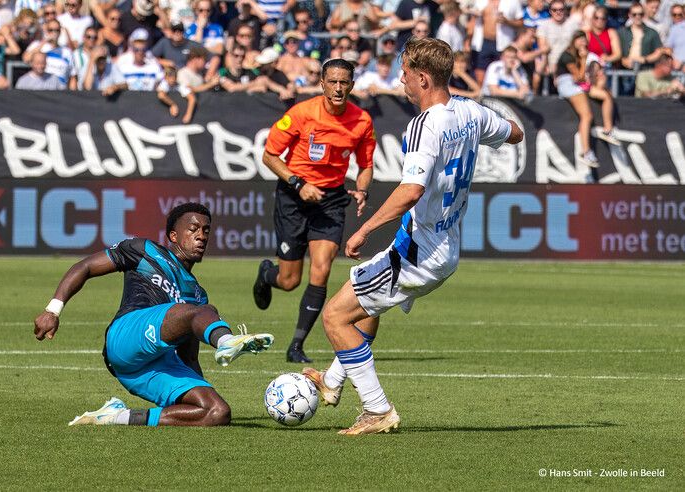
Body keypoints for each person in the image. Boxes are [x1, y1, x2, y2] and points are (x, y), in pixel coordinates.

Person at [301, 38, 524, 435]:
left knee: (335, 316)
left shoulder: (426, 123)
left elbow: (411, 190)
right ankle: (332, 380)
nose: (400, 79)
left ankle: (377, 409)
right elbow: (516, 133)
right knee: (365, 309)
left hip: (419, 252)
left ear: (423, 78)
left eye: (404, 73)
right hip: (442, 245)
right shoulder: (470, 112)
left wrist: (364, 230)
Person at [33, 202, 274, 427]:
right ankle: (226, 340)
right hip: (126, 337)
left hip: (148, 366)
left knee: (216, 412)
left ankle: (116, 416)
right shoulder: (144, 250)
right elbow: (85, 266)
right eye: (193, 229)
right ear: (173, 236)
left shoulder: (197, 295)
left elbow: (189, 358)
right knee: (200, 312)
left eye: (206, 230)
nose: (201, 236)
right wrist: (52, 310)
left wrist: (197, 389)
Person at [253, 58, 376, 363]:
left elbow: (366, 165)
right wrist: (298, 183)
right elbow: (270, 156)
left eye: (343, 82)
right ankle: (267, 274)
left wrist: (362, 190)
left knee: (321, 269)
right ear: (321, 83)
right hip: (293, 197)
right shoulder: (301, 113)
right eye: (332, 81)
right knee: (289, 280)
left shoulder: (361, 121)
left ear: (352, 85)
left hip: (331, 200)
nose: (338, 88)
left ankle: (296, 346)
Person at [556, 30, 620, 168]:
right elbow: (578, 76)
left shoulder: (586, 56)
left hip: (579, 84)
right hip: (568, 84)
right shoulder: (568, 55)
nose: (582, 43)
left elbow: (588, 77)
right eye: (579, 40)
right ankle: (586, 152)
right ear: (574, 41)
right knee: (587, 116)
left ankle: (608, 130)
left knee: (606, 96)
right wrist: (584, 59)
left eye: (584, 40)